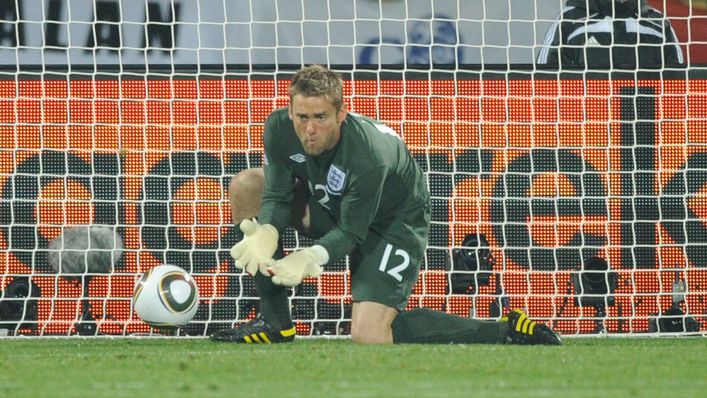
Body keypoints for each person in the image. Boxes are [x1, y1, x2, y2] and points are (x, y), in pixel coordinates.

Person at [210, 65, 561, 345]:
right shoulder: (279, 128)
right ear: (291, 112)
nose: (310, 129)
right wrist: (268, 229)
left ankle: (504, 330)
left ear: (341, 114)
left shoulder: (369, 155)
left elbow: (351, 230)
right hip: (330, 202)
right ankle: (275, 323)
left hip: (393, 218)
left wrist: (308, 256)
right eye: (302, 117)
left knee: (370, 335)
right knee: (247, 186)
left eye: (321, 118)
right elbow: (276, 194)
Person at [537, 0, 684, 69]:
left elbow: (677, 86)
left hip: (645, 127)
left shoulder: (657, 23)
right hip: (587, 126)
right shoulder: (569, 20)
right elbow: (544, 82)